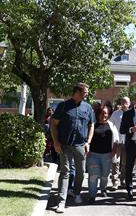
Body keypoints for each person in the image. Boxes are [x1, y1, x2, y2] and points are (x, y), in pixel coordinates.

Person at [51, 83, 95, 213]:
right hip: (64, 145)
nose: (87, 94)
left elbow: (91, 124)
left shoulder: (88, 107)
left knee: (81, 172)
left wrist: (88, 142)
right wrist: (55, 142)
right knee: (65, 172)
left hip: (81, 145)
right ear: (77, 92)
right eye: (85, 92)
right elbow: (53, 124)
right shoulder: (63, 106)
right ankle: (61, 202)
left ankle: (77, 194)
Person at [87, 105, 119, 204]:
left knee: (105, 175)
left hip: (107, 155)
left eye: (105, 113)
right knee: (93, 176)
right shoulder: (93, 125)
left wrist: (114, 151)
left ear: (108, 114)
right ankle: (92, 195)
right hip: (93, 155)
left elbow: (116, 140)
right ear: (97, 114)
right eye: (101, 113)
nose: (103, 115)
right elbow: (87, 138)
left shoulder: (112, 125)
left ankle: (103, 188)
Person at [109, 96, 130, 190]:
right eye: (123, 102)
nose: (124, 104)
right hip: (117, 141)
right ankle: (115, 182)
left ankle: (123, 180)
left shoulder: (132, 114)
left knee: (125, 163)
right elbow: (111, 126)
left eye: (126, 102)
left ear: (129, 103)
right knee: (115, 162)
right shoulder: (115, 114)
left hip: (127, 141)